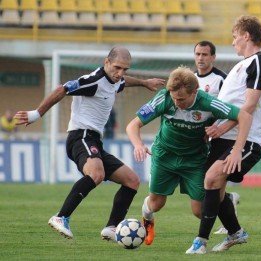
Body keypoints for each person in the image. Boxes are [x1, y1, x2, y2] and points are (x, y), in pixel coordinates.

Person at [14, 46, 165, 240]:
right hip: (80, 136)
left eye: (125, 69)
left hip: (94, 140)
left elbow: (123, 82)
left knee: (132, 180)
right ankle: (61, 217)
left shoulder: (114, 81)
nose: (120, 73)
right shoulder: (93, 81)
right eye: (117, 67)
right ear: (106, 62)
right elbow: (63, 89)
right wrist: (37, 113)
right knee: (96, 174)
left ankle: (112, 227)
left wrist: (144, 83)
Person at [126, 66, 253, 246]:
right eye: (174, 98)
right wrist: (138, 144)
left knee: (200, 211)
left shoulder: (208, 102)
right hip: (164, 156)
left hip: (195, 160)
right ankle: (148, 219)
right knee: (156, 204)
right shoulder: (164, 97)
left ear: (195, 92)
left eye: (182, 99)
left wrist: (235, 147)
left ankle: (225, 199)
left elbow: (244, 116)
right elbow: (132, 125)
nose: (177, 103)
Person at [186, 15, 261, 254]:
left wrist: (223, 128)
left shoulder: (260, 62)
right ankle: (236, 233)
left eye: (236, 37)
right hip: (222, 139)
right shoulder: (241, 64)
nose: (233, 42)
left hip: (244, 139)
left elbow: (250, 105)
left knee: (212, 179)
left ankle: (200, 242)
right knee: (214, 189)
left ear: (246, 36)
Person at [194, 40, 240, 235]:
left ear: (213, 57)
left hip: (222, 136)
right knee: (204, 193)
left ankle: (231, 228)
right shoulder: (191, 79)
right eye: (197, 54)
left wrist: (216, 128)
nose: (201, 58)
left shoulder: (222, 79)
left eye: (205, 54)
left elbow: (227, 108)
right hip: (202, 137)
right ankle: (228, 200)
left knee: (209, 184)